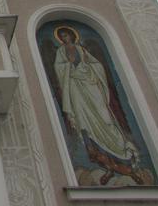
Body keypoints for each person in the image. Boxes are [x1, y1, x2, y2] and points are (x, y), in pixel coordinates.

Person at [53, 26, 143, 185]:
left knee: (105, 119)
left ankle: (125, 162)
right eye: (63, 36)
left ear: (72, 36)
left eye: (67, 35)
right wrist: (69, 65)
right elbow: (58, 68)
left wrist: (88, 68)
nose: (65, 38)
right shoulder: (61, 52)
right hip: (76, 89)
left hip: (91, 86)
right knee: (85, 122)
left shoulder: (82, 50)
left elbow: (97, 65)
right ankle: (106, 166)